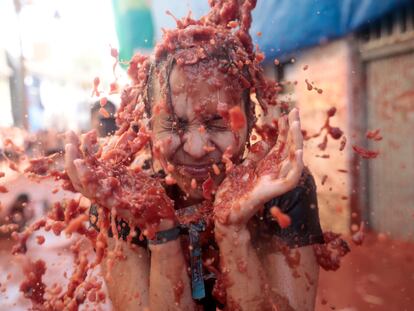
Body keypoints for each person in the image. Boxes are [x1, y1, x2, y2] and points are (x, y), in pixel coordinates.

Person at [64, 1, 324, 310]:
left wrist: (233, 230)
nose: (197, 148)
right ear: (149, 126)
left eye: (218, 122)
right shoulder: (123, 199)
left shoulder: (282, 187)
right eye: (173, 123)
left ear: (250, 120)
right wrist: (161, 234)